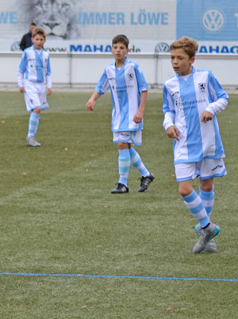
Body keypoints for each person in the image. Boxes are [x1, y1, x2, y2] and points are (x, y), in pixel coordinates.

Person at [162, 36, 228, 254]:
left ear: (191, 59)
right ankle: (208, 228)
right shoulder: (169, 85)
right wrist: (168, 125)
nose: (175, 62)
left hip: (208, 141)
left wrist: (211, 109)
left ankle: (206, 237)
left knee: (207, 186)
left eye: (180, 58)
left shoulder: (205, 76)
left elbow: (223, 97)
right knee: (184, 189)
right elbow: (168, 110)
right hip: (183, 143)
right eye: (172, 57)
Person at [86, 34, 154, 194]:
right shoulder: (109, 69)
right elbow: (101, 87)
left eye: (121, 48)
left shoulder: (133, 67)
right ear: (111, 49)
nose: (118, 50)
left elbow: (144, 89)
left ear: (127, 50)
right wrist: (92, 99)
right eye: (115, 47)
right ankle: (146, 174)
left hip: (132, 114)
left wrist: (140, 111)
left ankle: (123, 183)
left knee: (122, 144)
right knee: (125, 146)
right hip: (118, 115)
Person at [18, 27, 52, 147]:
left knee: (38, 111)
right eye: (37, 39)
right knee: (37, 108)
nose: (39, 41)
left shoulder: (46, 55)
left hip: (41, 86)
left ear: (45, 40)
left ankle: (31, 136)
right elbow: (21, 70)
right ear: (32, 39)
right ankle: (30, 136)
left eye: (41, 39)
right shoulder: (27, 52)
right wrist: (20, 84)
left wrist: (49, 86)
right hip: (30, 84)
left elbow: (48, 72)